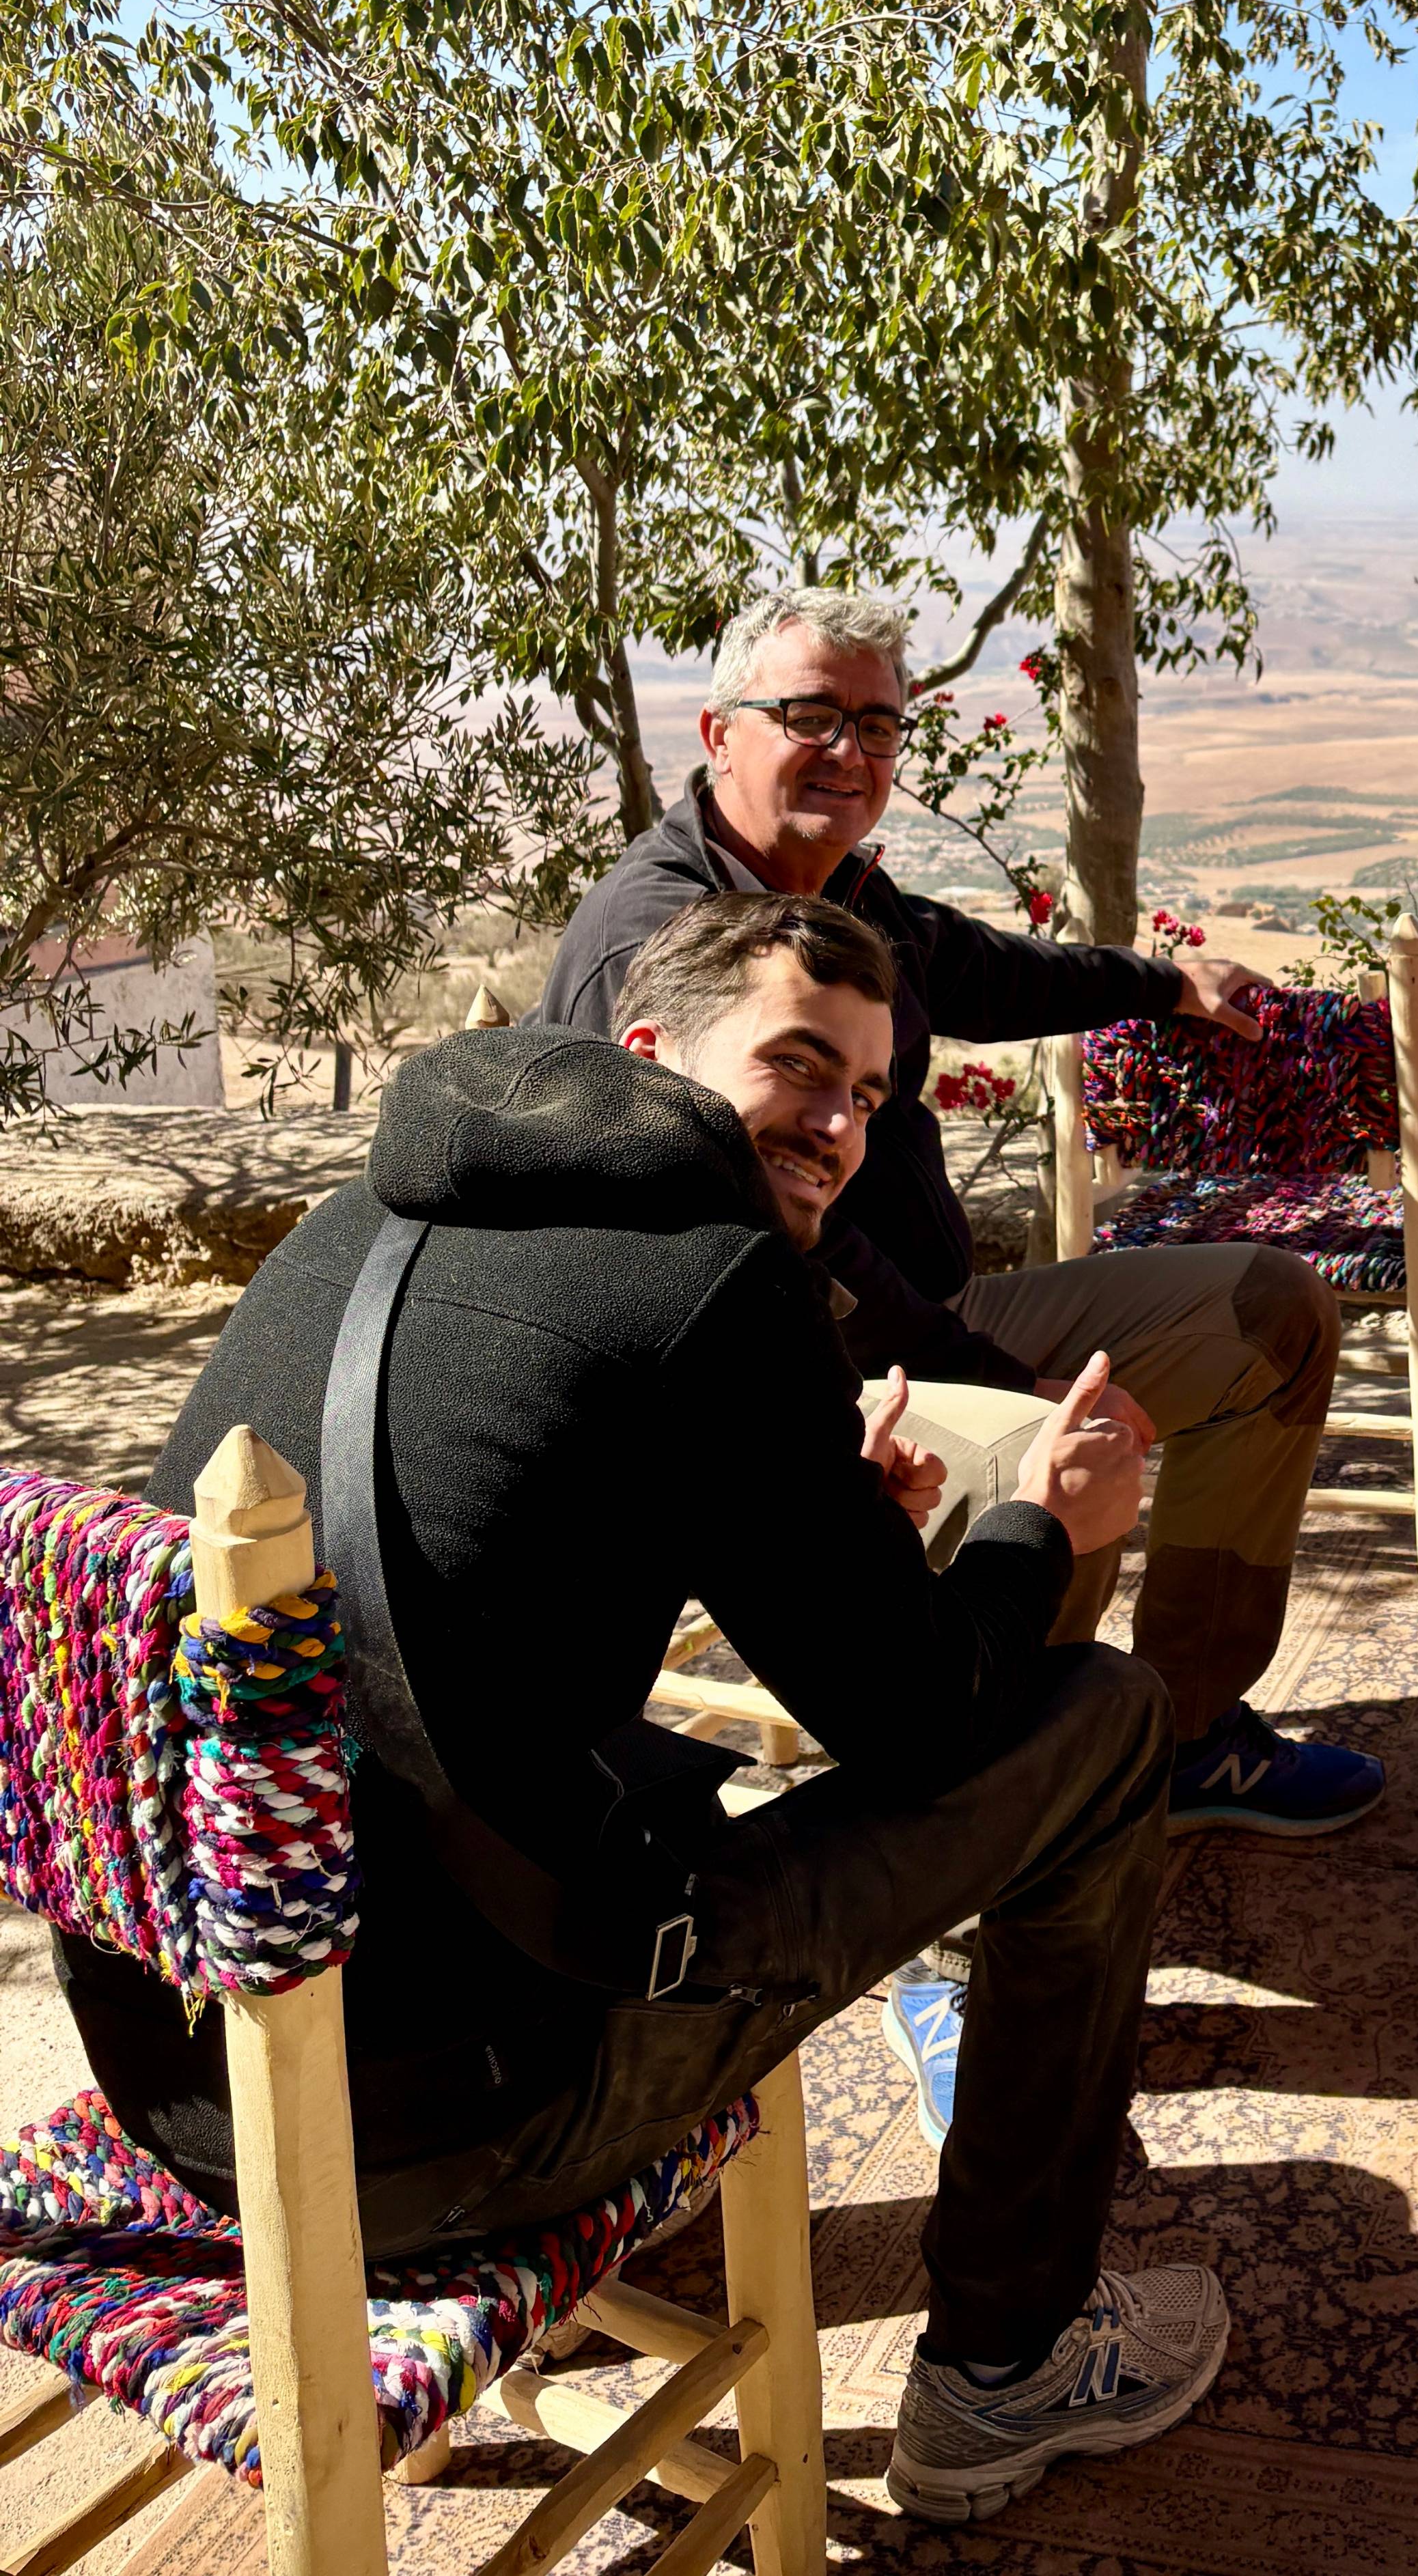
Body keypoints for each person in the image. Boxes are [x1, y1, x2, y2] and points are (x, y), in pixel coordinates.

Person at [59, 893, 1225, 2525]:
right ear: (648, 1054)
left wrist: (825, 1518)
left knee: (663, 1762)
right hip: (447, 2134)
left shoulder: (362, 1220)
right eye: (801, 1068)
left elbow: (487, 1579)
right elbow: (925, 1719)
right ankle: (1007, 2366)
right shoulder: (712, 1275)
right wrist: (1047, 1521)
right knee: (1098, 1724)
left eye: (872, 1098)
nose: (838, 1128)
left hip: (189, 2079)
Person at [540, 587, 1385, 2140]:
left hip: (927, 1331)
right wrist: (988, 1368)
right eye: (812, 716)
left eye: (878, 723)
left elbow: (979, 971)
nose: (850, 751)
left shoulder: (834, 896)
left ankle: (1181, 1726)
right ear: (717, 733)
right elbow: (780, 1261)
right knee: (1025, 1473)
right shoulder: (663, 939)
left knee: (1272, 1317)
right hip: (769, 1384)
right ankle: (950, 1918)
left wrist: (1160, 982)